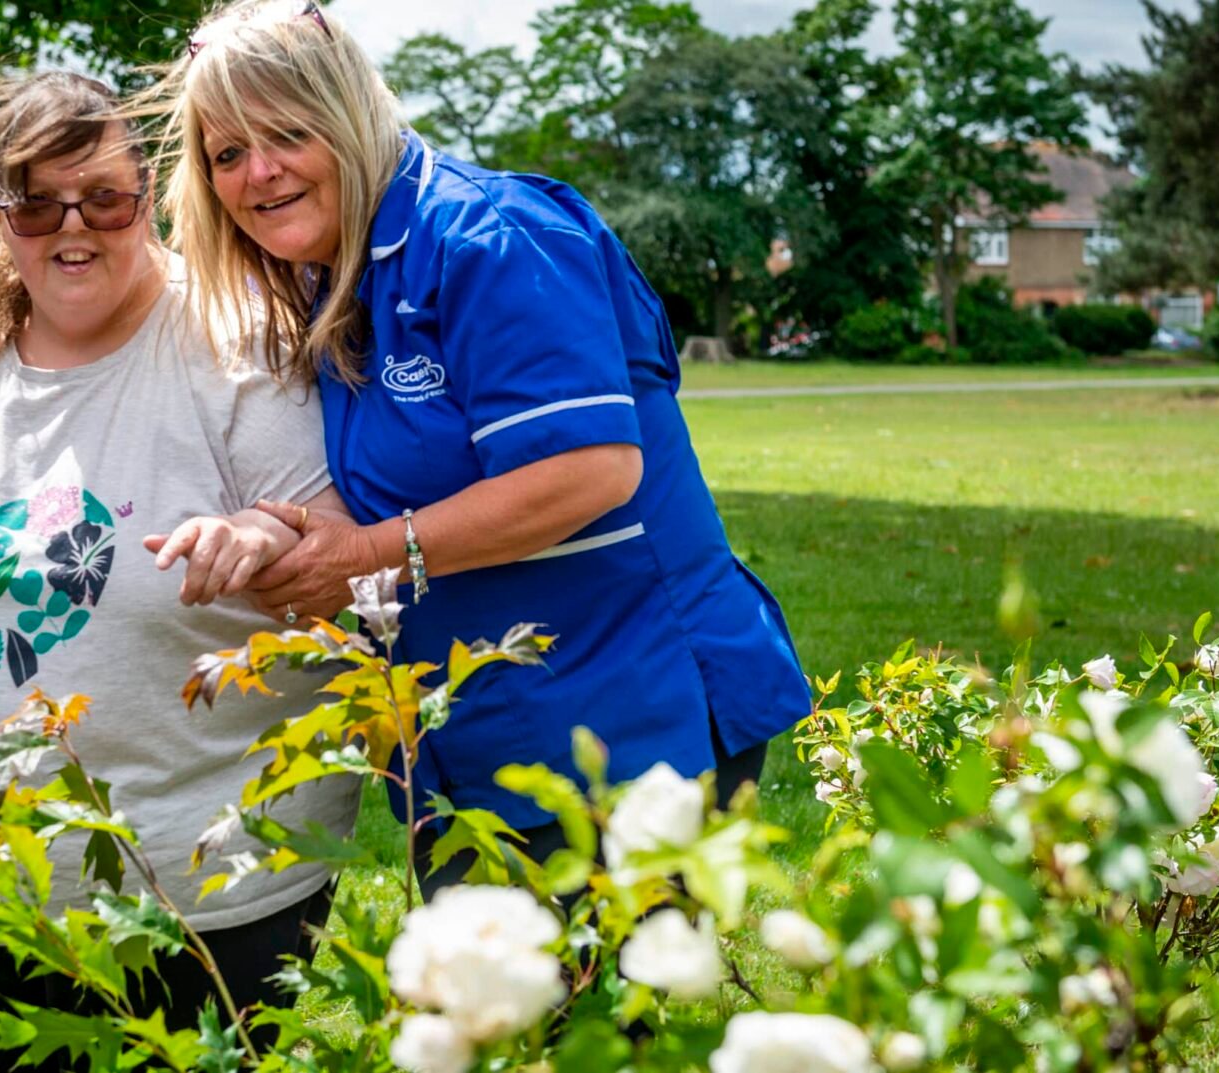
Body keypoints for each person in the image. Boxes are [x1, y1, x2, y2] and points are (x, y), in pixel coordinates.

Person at [151, 0, 813, 894]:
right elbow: (398, 475)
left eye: (286, 134)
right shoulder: (341, 272)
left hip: (625, 717)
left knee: (569, 1026)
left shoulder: (489, 238)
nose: (258, 172)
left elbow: (591, 468)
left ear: (347, 116)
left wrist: (366, 561)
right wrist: (282, 534)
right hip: (494, 729)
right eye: (227, 153)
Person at [0, 70, 358, 1071]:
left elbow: (338, 552)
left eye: (103, 197)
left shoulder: (234, 347)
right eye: (36, 201)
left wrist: (262, 541)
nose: (73, 228)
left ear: (147, 197)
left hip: (185, 918)